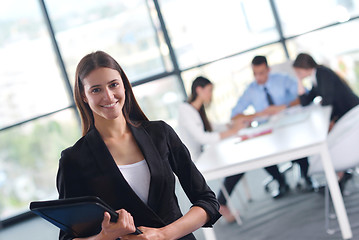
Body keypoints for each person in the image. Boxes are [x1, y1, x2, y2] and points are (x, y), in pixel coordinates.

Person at [56, 51, 221, 240]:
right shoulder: (74, 160)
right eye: (96, 90)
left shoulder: (161, 133)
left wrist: (162, 234)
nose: (108, 96)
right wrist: (105, 236)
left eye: (113, 85)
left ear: (124, 85)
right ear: (84, 96)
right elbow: (68, 238)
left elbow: (207, 201)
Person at [231, 55, 313, 199]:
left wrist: (283, 106)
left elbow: (305, 94)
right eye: (255, 73)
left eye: (261, 73)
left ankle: (306, 177)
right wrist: (259, 114)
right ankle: (281, 181)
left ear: (268, 70)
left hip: (286, 124)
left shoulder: (282, 79)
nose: (258, 77)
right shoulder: (251, 89)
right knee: (259, 152)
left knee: (298, 144)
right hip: (266, 129)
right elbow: (234, 115)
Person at [177, 76, 246, 223]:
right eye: (209, 91)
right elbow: (202, 137)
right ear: (199, 90)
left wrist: (231, 125)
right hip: (194, 161)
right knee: (236, 165)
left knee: (237, 162)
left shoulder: (197, 109)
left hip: (203, 154)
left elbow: (211, 127)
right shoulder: (185, 110)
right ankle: (221, 203)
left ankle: (222, 202)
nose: (211, 95)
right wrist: (232, 131)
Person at [293, 52, 359, 191]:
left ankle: (339, 174)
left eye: (298, 72)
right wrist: (299, 81)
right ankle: (339, 175)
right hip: (343, 117)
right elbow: (305, 102)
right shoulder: (315, 78)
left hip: (350, 115)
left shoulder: (323, 73)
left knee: (329, 139)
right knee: (329, 136)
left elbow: (328, 100)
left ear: (304, 67)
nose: (298, 74)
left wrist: (323, 103)